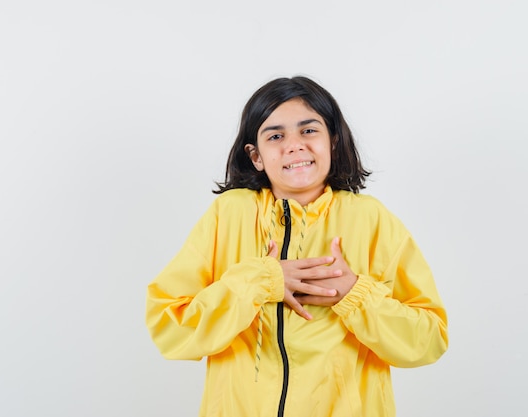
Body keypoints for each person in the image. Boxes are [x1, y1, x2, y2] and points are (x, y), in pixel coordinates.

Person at [145, 76, 448, 417]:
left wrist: (355, 294)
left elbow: (428, 341)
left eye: (308, 130)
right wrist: (260, 281)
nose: (293, 145)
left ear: (333, 142)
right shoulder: (228, 215)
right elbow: (170, 329)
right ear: (256, 156)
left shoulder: (371, 219)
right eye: (275, 136)